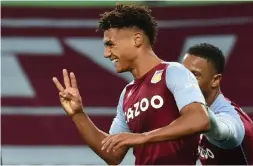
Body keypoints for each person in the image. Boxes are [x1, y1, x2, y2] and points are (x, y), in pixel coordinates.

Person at [52, 4, 213, 165]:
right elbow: (112, 153)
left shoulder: (173, 72)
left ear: (137, 39)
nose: (106, 54)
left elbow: (200, 119)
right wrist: (78, 114)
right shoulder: (127, 94)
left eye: (110, 44)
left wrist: (143, 137)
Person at [182, 43, 253, 164]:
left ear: (215, 80)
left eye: (194, 75)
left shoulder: (234, 121)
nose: (184, 81)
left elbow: (221, 131)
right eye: (182, 74)